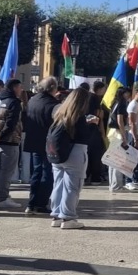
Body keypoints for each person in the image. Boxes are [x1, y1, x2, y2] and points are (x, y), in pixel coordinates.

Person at [48, 85, 99, 229]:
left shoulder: (59, 113)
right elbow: (85, 136)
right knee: (72, 186)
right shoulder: (79, 116)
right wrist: (94, 124)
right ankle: (68, 218)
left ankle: (56, 215)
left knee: (58, 184)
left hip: (58, 152)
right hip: (76, 152)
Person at [24, 77, 59, 212]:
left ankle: (31, 202)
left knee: (36, 172)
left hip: (34, 140)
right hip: (48, 142)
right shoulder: (53, 104)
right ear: (52, 88)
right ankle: (41, 203)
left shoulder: (33, 100)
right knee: (47, 173)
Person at [0, 78, 23, 209]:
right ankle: (3, 197)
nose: (20, 90)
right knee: (7, 171)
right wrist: (1, 135)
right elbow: (11, 122)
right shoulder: (14, 102)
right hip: (10, 140)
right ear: (14, 88)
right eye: (19, 87)